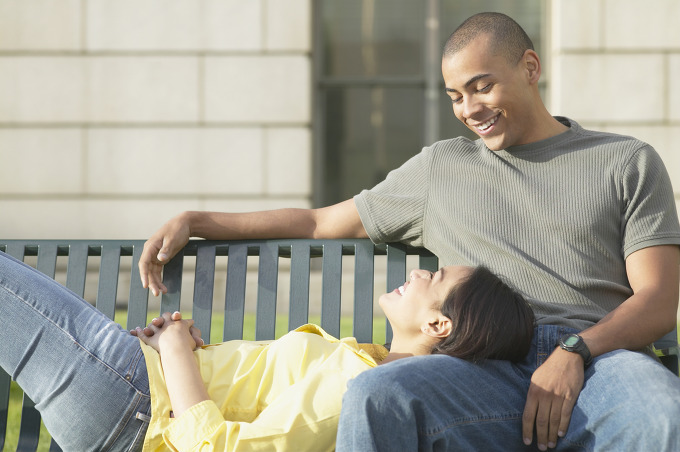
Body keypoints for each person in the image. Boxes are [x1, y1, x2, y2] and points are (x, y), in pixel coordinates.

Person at [139, 12, 680, 451]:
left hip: (599, 361)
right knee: (378, 393)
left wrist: (574, 351)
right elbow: (321, 221)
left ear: (530, 66)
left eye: (481, 86)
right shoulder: (440, 169)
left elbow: (657, 300)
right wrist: (198, 221)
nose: (469, 109)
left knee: (659, 412)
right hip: (477, 367)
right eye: (455, 96)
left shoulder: (623, 161)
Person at [0, 248, 533, 451]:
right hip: (134, 389)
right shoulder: (365, 363)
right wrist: (184, 351)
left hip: (132, 406)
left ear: (439, 323)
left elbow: (216, 450)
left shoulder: (358, 388)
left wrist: (178, 352)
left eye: (432, 276)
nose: (417, 271)